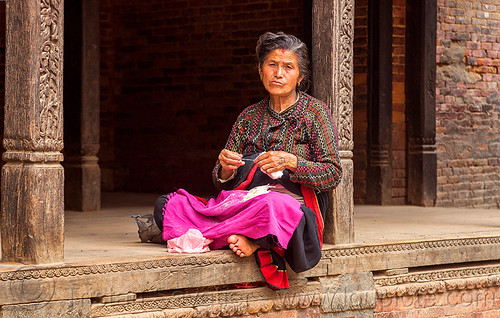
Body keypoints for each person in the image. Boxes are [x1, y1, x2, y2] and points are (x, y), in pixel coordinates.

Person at [153, 31, 342, 289]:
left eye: (288, 67)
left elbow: (332, 173)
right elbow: (220, 180)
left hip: (289, 208)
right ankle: (240, 233)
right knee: (167, 205)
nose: (279, 73)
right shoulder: (248, 117)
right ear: (260, 70)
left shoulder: (314, 113)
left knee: (273, 204)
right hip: (245, 204)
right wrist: (225, 169)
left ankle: (253, 241)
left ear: (300, 76)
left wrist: (293, 162)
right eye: (272, 65)